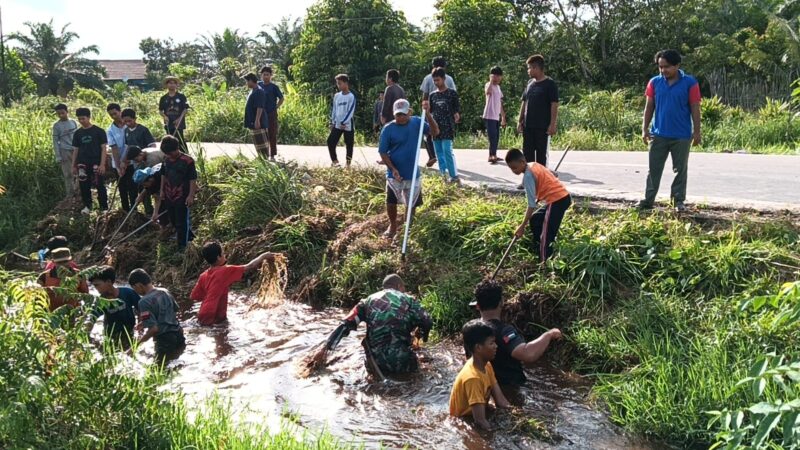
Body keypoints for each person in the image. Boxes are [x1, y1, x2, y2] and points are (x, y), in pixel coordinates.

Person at [639, 49, 702, 213]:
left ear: (677, 65)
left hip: (681, 135)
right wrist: (644, 129)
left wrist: (697, 131)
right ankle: (647, 201)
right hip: (658, 134)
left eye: (666, 67)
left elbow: (695, 107)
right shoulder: (654, 82)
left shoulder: (690, 83)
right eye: (660, 67)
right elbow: (649, 107)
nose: (663, 70)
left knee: (680, 170)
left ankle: (678, 201)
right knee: (654, 170)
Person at [469, 279, 562, 386]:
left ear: (477, 306)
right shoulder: (505, 331)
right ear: (501, 302)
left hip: (485, 386)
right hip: (512, 386)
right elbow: (527, 354)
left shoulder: (470, 330)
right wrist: (549, 334)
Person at [335, 274, 433, 375]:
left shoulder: (367, 301)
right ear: (399, 286)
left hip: (375, 364)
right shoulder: (409, 300)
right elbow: (427, 321)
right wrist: (422, 337)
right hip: (403, 362)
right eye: (403, 288)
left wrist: (328, 345)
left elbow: (346, 323)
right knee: (421, 370)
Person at [378, 99, 439, 240]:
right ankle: (392, 225)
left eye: (403, 114)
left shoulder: (417, 122)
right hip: (395, 174)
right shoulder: (388, 129)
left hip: (412, 173)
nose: (400, 118)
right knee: (391, 201)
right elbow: (382, 152)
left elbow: (435, 131)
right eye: (397, 115)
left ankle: (407, 228)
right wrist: (392, 168)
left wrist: (428, 114)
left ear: (409, 112)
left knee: (411, 203)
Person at [505, 148, 571, 262]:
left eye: (515, 168)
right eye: (511, 169)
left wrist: (522, 226)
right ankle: (538, 247)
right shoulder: (533, 164)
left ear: (522, 162)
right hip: (562, 197)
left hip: (557, 200)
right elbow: (551, 174)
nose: (514, 171)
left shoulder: (528, 177)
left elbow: (531, 205)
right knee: (535, 219)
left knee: (546, 235)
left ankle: (544, 263)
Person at [191, 241, 278, 326]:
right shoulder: (224, 271)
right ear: (218, 257)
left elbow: (195, 296)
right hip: (215, 314)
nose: (225, 256)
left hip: (202, 314)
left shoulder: (203, 275)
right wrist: (264, 256)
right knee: (222, 336)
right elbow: (249, 266)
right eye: (223, 253)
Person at [449, 319, 511, 431]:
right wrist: (495, 433)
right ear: (478, 348)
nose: (496, 346)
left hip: (476, 413)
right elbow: (480, 421)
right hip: (464, 421)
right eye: (491, 343)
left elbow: (501, 401)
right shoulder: (473, 378)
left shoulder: (487, 365)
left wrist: (517, 415)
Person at [128, 268, 185, 363]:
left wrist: (134, 347)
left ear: (139, 285)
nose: (136, 291)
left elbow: (154, 329)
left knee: (159, 369)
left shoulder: (144, 302)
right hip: (179, 335)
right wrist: (144, 322)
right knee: (176, 364)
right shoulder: (164, 291)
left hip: (164, 340)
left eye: (134, 288)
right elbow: (174, 310)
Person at [517, 54, 559, 170]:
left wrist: (552, 124)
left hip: (542, 127)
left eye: (529, 68)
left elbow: (554, 104)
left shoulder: (550, 84)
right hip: (528, 126)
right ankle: (528, 180)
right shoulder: (530, 83)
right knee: (527, 156)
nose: (528, 71)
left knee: (541, 157)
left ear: (536, 68)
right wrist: (520, 120)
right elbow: (524, 102)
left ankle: (541, 182)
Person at [86, 265, 141, 349]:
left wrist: (141, 328)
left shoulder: (127, 293)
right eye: (94, 286)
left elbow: (141, 309)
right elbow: (92, 318)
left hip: (130, 332)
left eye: (97, 285)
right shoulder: (100, 302)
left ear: (108, 282)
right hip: (111, 337)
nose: (96, 289)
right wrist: (86, 334)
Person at [160, 135, 197, 250]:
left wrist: (191, 195)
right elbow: (163, 175)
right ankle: (190, 236)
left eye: (170, 153)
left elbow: (193, 179)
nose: (169, 156)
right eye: (167, 154)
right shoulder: (166, 160)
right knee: (174, 220)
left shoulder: (187, 161)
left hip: (182, 195)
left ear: (177, 149)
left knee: (181, 221)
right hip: (169, 194)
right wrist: (161, 190)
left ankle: (182, 247)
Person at [419, 56, 457, 168]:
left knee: (428, 133)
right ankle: (443, 165)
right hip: (446, 114)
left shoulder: (427, 78)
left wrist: (424, 110)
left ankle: (432, 155)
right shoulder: (449, 78)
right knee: (443, 141)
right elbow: (454, 94)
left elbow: (424, 95)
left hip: (432, 113)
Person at [71, 107, 108, 214]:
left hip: (96, 162)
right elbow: (75, 150)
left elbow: (103, 148)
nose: (81, 121)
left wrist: (102, 164)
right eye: (79, 119)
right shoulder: (77, 133)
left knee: (100, 185)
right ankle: (87, 206)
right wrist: (73, 165)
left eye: (83, 118)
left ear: (89, 117)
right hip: (82, 164)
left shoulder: (99, 131)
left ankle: (104, 207)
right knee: (84, 186)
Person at [429, 67, 461, 183]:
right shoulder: (432, 95)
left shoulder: (452, 93)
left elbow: (456, 110)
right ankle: (443, 175)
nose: (436, 83)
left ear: (444, 79)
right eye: (434, 80)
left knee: (447, 150)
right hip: (435, 128)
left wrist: (456, 115)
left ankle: (454, 176)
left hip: (447, 126)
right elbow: (430, 112)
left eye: (438, 80)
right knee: (439, 153)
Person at [36, 247, 89, 311]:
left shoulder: (78, 274)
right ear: (53, 262)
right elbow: (37, 297)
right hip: (52, 315)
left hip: (74, 313)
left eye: (65, 261)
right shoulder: (44, 276)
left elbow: (85, 295)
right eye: (59, 262)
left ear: (70, 260)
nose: (63, 265)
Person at [107, 103, 135, 211]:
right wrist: (119, 167)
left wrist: (126, 161)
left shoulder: (129, 125)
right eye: (111, 115)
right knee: (122, 188)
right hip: (118, 163)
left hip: (131, 161)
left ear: (120, 111)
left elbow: (131, 144)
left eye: (115, 113)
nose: (114, 116)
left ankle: (134, 209)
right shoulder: (110, 130)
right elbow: (114, 149)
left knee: (132, 186)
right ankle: (125, 210)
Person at [327, 74, 357, 167]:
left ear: (346, 83)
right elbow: (334, 109)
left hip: (347, 124)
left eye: (340, 83)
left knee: (349, 144)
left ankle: (348, 164)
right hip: (337, 124)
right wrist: (333, 122)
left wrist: (344, 122)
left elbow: (350, 111)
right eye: (337, 84)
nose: (338, 86)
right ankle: (335, 161)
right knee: (330, 141)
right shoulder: (337, 96)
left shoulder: (351, 97)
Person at [127, 145, 165, 215]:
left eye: (136, 159)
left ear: (140, 154)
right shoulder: (144, 152)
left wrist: (142, 194)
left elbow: (154, 181)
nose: (136, 162)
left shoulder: (152, 160)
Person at [258, 66, 285, 160]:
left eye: (267, 75)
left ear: (271, 76)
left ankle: (272, 155)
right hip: (260, 113)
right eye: (264, 74)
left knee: (272, 133)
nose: (266, 76)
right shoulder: (258, 85)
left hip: (271, 113)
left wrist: (276, 107)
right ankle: (262, 155)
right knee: (261, 134)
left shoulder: (274, 87)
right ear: (261, 75)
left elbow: (281, 98)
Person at [52, 104, 78, 197]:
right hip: (65, 151)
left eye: (62, 113)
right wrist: (58, 156)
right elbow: (55, 141)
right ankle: (70, 194)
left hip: (75, 149)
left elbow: (78, 136)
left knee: (80, 171)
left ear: (67, 112)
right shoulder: (56, 126)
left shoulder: (73, 122)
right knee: (68, 174)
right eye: (58, 114)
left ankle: (79, 191)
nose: (61, 115)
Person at [158, 76, 190, 151]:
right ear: (166, 85)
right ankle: (171, 156)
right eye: (170, 83)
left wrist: (179, 119)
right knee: (170, 141)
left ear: (176, 85)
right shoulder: (163, 98)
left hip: (179, 123)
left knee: (180, 139)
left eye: (173, 83)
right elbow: (160, 110)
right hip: (169, 123)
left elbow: (185, 109)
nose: (172, 85)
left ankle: (186, 155)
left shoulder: (181, 97)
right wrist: (165, 117)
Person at [483, 66, 506, 164]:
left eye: (499, 76)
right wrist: (491, 81)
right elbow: (487, 92)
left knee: (496, 137)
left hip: (496, 115)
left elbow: (500, 102)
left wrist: (503, 116)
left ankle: (494, 154)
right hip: (489, 115)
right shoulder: (489, 85)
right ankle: (491, 156)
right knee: (492, 136)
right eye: (495, 76)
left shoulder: (498, 87)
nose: (497, 78)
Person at [244, 73, 269, 158]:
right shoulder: (253, 91)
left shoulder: (259, 91)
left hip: (258, 121)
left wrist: (257, 120)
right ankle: (261, 158)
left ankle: (264, 159)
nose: (246, 83)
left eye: (247, 81)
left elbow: (259, 107)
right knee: (257, 142)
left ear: (251, 81)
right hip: (252, 121)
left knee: (261, 142)